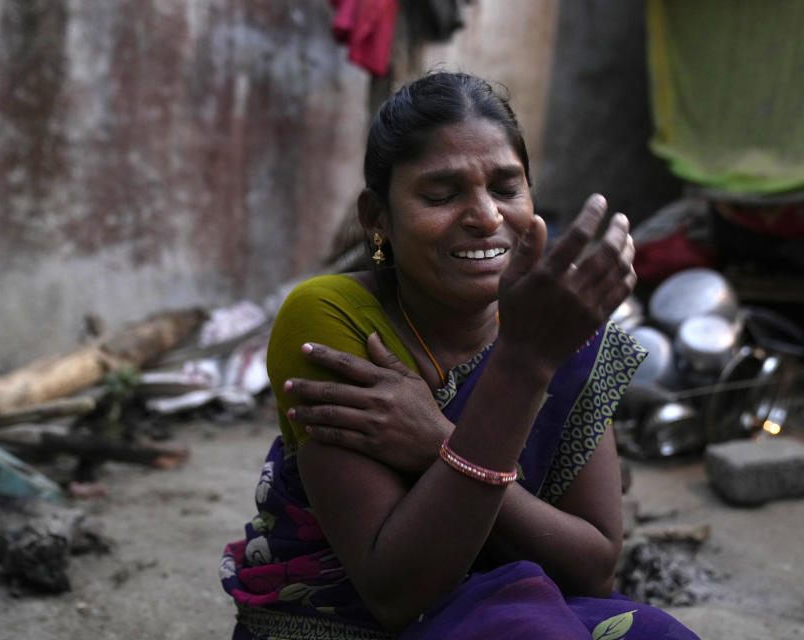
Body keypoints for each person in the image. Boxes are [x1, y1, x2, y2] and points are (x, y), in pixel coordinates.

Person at [220, 71, 699, 640]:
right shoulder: (331, 316)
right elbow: (395, 590)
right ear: (377, 219)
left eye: (505, 187)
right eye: (442, 194)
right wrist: (523, 367)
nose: (486, 216)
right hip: (340, 624)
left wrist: (433, 444)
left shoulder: (563, 328)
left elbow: (592, 568)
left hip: (524, 605)